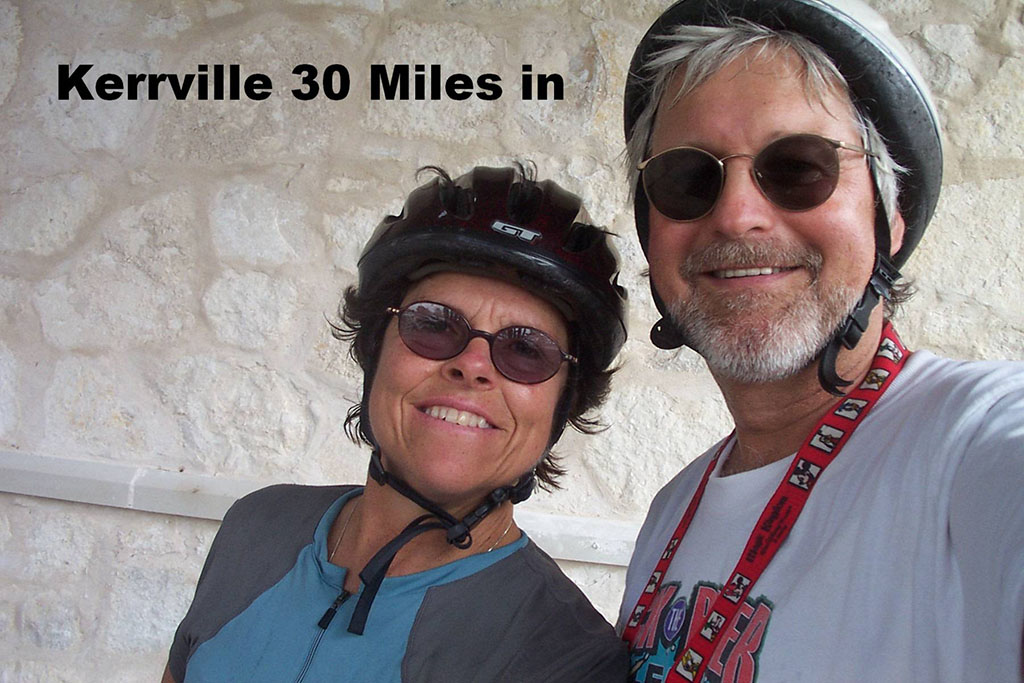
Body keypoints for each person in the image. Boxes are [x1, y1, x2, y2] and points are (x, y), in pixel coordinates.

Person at [616, 1, 1024, 682]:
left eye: (799, 166)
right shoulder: (671, 510)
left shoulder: (968, 444)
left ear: (888, 221)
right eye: (688, 179)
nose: (738, 214)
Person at [163, 164, 629, 682]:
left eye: (525, 350)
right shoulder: (255, 527)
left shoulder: (565, 657)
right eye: (433, 324)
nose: (472, 365)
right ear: (374, 351)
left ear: (563, 405)